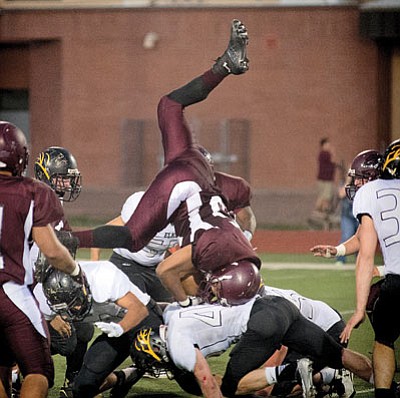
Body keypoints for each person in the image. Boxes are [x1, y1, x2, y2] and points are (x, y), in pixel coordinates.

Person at [73, 18, 261, 307]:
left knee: (169, 104)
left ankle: (224, 65)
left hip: (189, 160)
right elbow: (245, 210)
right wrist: (243, 237)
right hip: (190, 181)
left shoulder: (218, 180)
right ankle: (70, 239)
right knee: (133, 238)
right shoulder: (230, 187)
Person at [132, 293, 373, 398]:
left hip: (260, 323)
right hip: (280, 306)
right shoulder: (172, 314)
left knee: (231, 387)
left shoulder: (177, 346)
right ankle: (386, 385)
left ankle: (290, 371)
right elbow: (161, 305)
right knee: (338, 355)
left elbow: (207, 382)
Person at [0, 121, 85, 398]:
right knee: (39, 370)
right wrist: (74, 272)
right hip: (13, 292)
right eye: (62, 177)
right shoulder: (33, 193)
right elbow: (48, 252)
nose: (66, 183)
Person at [41, 259, 164, 398]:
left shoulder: (103, 277)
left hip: (141, 320)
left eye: (75, 302)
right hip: (113, 331)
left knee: (161, 356)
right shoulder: (45, 297)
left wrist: (119, 328)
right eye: (66, 307)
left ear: (82, 287)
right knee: (83, 386)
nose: (73, 310)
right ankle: (123, 377)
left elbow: (139, 309)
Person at [31, 146, 94, 398]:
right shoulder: (33, 205)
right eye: (62, 177)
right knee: (64, 341)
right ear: (45, 175)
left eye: (69, 178)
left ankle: (73, 383)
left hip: (40, 289)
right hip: (20, 294)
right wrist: (50, 313)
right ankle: (17, 371)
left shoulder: (51, 203)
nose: (68, 183)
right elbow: (27, 269)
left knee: (85, 324)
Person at [340, 139, 400, 398]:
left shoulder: (372, 193)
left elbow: (365, 252)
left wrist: (358, 308)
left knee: (384, 336)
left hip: (395, 282)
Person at [90, 191, 180, 303]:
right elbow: (99, 237)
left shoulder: (181, 220)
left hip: (154, 267)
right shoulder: (140, 212)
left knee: (171, 305)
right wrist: (95, 267)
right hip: (126, 263)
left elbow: (177, 252)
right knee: (140, 306)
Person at [310, 149, 383, 274]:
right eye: (355, 178)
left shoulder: (388, 202)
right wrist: (337, 250)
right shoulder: (373, 204)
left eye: (361, 178)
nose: (356, 183)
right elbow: (360, 237)